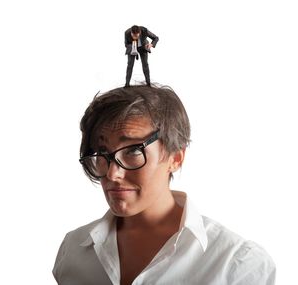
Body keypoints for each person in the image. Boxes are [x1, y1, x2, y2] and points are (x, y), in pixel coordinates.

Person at [52, 84, 276, 285]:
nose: (112, 174)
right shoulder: (73, 251)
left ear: (175, 158)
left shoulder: (236, 264)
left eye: (132, 151)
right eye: (101, 153)